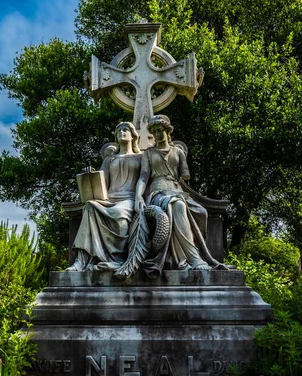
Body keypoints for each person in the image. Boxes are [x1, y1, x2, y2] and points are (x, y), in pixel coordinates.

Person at [115, 115, 229, 278]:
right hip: (157, 193)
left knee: (200, 212)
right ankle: (193, 258)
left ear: (168, 131)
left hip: (176, 191)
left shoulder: (178, 152)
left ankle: (187, 256)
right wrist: (139, 197)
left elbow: (184, 175)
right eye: (154, 131)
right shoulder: (148, 154)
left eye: (160, 130)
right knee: (177, 205)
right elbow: (143, 177)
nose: (157, 134)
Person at [67, 122, 142, 271]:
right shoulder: (109, 160)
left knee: (119, 212)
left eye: (126, 129)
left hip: (129, 198)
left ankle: (119, 259)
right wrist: (90, 174)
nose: (122, 132)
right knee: (89, 207)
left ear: (133, 135)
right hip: (110, 198)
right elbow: (102, 182)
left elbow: (145, 180)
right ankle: (81, 261)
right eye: (119, 130)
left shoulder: (141, 157)